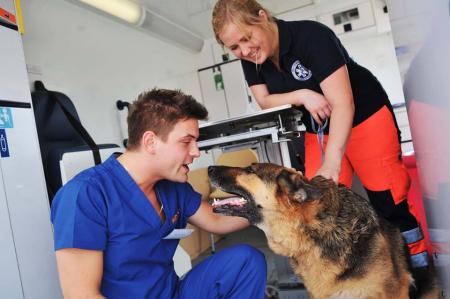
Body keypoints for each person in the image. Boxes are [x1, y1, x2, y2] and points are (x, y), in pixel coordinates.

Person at [212, 0, 429, 281]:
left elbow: (343, 103)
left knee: (388, 201)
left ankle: (420, 270)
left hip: (365, 114)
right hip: (320, 125)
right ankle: (353, 274)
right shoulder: (251, 59)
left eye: (246, 38)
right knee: (317, 205)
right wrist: (303, 95)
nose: (244, 50)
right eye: (234, 48)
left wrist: (333, 161)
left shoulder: (311, 37)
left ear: (262, 17)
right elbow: (265, 100)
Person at [51, 88, 267, 298]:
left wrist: (271, 203)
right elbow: (81, 294)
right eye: (186, 142)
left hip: (172, 293)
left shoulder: (171, 185)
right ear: (150, 142)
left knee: (245, 262)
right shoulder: (85, 195)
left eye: (196, 142)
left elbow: (215, 219)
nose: (196, 152)